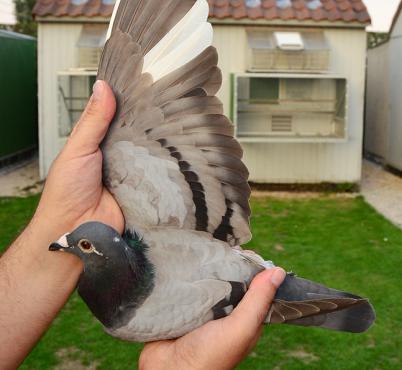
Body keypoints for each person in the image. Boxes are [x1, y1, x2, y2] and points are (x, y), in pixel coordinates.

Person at [0, 80, 286, 370]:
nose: (63, 242)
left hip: (233, 280)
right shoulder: (135, 291)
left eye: (82, 244)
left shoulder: (122, 321)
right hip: (219, 271)